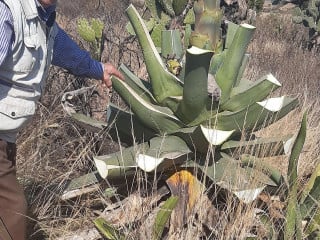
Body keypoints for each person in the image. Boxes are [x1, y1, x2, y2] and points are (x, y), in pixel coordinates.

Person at [0, 0, 124, 239]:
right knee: (13, 213)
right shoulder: (7, 11)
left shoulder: (44, 19)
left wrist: (98, 69)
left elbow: (61, 48)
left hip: (6, 137)